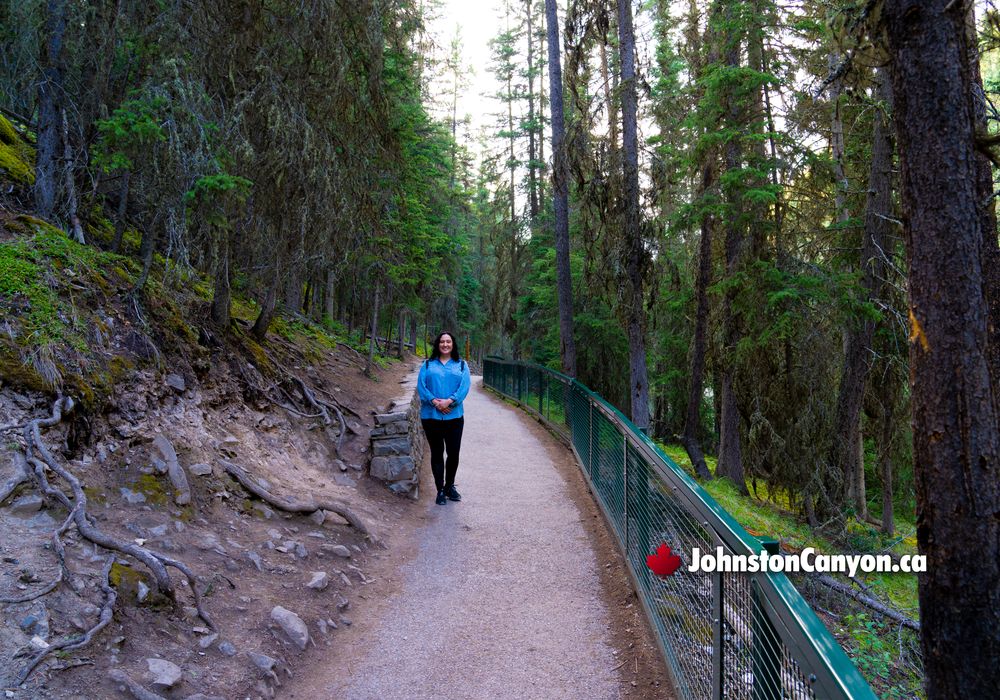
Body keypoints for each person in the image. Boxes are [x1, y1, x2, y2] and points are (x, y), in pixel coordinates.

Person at [417, 331, 471, 506]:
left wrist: (450, 401)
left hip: (454, 417)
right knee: (437, 453)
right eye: (442, 342)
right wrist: (434, 402)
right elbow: (421, 386)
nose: (445, 344)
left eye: (448, 341)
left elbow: (464, 388)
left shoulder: (462, 365)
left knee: (453, 453)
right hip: (431, 417)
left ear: (453, 344)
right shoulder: (427, 365)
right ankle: (439, 489)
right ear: (437, 344)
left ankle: (449, 486)